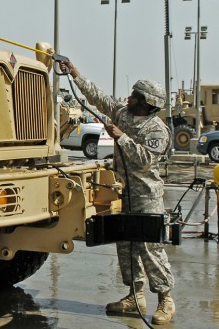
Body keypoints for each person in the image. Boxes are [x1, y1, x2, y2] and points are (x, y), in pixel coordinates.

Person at [60, 60, 175, 325]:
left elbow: (145, 159)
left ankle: (165, 301)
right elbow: (99, 98)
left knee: (149, 247)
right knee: (126, 244)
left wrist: (122, 138)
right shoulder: (123, 113)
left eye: (135, 95)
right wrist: (75, 74)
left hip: (146, 195)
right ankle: (134, 297)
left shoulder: (157, 129)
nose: (129, 97)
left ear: (146, 102)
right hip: (121, 191)